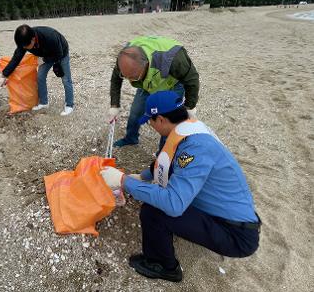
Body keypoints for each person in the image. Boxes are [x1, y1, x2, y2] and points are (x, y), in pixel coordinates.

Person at [100, 90, 260, 282]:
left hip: (237, 235)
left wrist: (124, 181)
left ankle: (164, 266)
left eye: (150, 122)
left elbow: (173, 204)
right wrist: (142, 177)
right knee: (164, 195)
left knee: (153, 212)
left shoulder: (194, 148)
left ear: (160, 120)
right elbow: (167, 160)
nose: (151, 126)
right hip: (228, 215)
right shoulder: (190, 128)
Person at [108, 36, 199, 147]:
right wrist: (114, 105)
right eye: (127, 77)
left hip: (172, 84)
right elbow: (116, 79)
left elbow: (192, 79)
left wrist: (190, 106)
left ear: (146, 64)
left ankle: (164, 151)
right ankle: (130, 138)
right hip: (147, 84)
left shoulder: (174, 59)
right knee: (135, 113)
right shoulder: (124, 58)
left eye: (133, 77)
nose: (130, 81)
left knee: (167, 121)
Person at [1, 24, 74, 116]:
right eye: (22, 46)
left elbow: (58, 54)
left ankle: (69, 105)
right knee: (40, 75)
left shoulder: (50, 36)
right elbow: (16, 58)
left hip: (61, 53)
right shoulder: (24, 42)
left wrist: (44, 60)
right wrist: (4, 75)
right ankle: (44, 103)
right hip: (44, 54)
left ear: (33, 39)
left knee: (66, 79)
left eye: (26, 46)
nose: (24, 48)